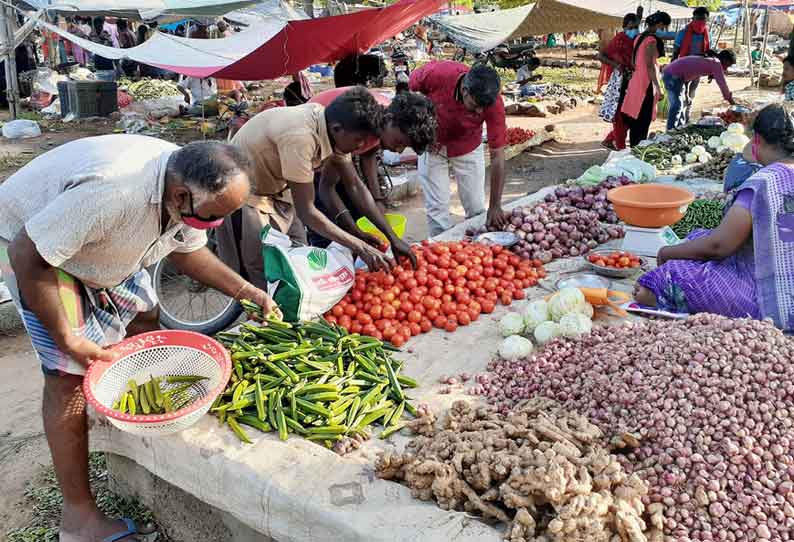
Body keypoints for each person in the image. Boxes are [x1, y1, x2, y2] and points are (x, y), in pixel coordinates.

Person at [0, 135, 276, 542]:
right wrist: (69, 339)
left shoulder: (182, 182)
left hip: (98, 242)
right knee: (67, 376)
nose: (216, 226)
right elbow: (30, 254)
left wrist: (245, 290)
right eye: (213, 217)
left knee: (145, 317)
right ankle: (78, 520)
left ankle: (132, 412)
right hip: (35, 246)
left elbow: (186, 249)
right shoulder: (113, 193)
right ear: (180, 195)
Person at [217, 87, 398, 290]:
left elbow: (354, 185)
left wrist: (384, 237)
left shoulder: (334, 132)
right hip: (245, 195)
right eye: (358, 140)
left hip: (279, 193)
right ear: (338, 129)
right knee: (263, 270)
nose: (361, 147)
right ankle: (266, 316)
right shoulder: (301, 137)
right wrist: (358, 245)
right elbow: (308, 212)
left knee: (297, 263)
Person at [634, 103, 794, 333]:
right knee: (699, 235)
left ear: (757, 140)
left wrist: (666, 253)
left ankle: (654, 295)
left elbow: (719, 246)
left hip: (773, 305)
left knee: (671, 274)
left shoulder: (765, 182)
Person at [308, 88, 436, 255]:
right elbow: (341, 185)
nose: (398, 150)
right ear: (389, 120)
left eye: (404, 147)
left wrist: (377, 199)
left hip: (338, 145)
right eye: (399, 142)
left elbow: (368, 155)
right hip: (316, 147)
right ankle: (324, 259)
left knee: (356, 209)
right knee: (325, 218)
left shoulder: (385, 121)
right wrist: (360, 236)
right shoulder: (360, 123)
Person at [409, 61, 508, 236]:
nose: (479, 112)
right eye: (475, 105)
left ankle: (476, 248)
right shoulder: (437, 73)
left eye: (483, 108)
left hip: (468, 146)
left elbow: (498, 156)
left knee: (476, 206)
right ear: (464, 91)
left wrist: (495, 205)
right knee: (437, 208)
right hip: (432, 145)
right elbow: (410, 87)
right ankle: (442, 249)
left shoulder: (492, 102)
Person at [621, 11, 671, 147]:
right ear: (660, 24)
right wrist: (659, 88)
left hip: (636, 81)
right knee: (643, 121)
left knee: (635, 120)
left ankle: (633, 149)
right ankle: (637, 151)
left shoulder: (639, 37)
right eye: (665, 27)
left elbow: (634, 61)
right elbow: (649, 65)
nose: (665, 30)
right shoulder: (651, 40)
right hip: (646, 83)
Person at [663, 49, 736, 130]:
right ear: (725, 60)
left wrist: (686, 92)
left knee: (684, 103)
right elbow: (723, 85)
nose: (727, 68)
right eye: (728, 65)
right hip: (672, 75)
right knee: (677, 105)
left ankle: (679, 128)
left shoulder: (711, 61)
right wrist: (732, 103)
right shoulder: (716, 63)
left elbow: (690, 71)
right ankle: (670, 130)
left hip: (678, 77)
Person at [598, 13, 640, 150]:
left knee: (629, 116)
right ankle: (620, 147)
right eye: (631, 27)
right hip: (621, 81)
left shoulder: (637, 39)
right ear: (624, 27)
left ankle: (610, 139)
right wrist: (617, 65)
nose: (634, 29)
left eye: (636, 27)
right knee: (620, 115)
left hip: (633, 80)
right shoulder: (619, 39)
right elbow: (601, 56)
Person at [672, 7, 711, 113]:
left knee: (692, 90)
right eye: (698, 19)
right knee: (682, 92)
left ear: (706, 20)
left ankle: (688, 108)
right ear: (692, 18)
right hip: (684, 68)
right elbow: (675, 53)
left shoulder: (707, 35)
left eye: (703, 20)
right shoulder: (682, 33)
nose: (700, 22)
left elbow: (708, 52)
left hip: (698, 68)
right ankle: (682, 109)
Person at [89, 16, 116, 81]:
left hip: (107, 60)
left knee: (110, 80)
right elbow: (92, 47)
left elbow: (111, 46)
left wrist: (107, 41)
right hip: (98, 60)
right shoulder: (92, 35)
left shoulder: (106, 34)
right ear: (95, 25)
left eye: (101, 24)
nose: (100, 26)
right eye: (98, 24)